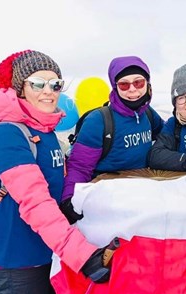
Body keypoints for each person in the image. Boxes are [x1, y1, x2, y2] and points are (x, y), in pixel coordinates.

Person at [0, 50, 115, 294]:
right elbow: (35, 201)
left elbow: (57, 190)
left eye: (55, 84)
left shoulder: (45, 131)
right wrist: (83, 255)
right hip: (15, 260)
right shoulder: (7, 134)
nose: (49, 92)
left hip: (46, 253)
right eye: (38, 83)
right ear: (20, 87)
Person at [60, 56, 164, 223]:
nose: (132, 89)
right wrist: (70, 198)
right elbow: (80, 166)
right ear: (115, 87)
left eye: (138, 83)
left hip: (142, 196)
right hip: (107, 199)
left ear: (148, 83)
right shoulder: (98, 121)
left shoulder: (149, 114)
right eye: (124, 84)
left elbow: (170, 138)